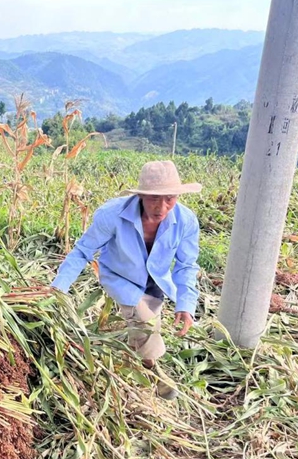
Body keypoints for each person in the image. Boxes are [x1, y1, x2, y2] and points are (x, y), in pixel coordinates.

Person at [51, 160, 201, 400]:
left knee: (142, 329)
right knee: (145, 322)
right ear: (141, 195)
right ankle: (156, 373)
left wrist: (186, 304)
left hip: (156, 282)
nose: (161, 207)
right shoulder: (112, 215)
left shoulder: (186, 221)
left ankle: (127, 363)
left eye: (169, 198)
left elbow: (186, 265)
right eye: (153, 198)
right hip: (120, 277)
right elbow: (82, 251)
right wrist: (58, 288)